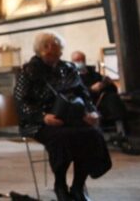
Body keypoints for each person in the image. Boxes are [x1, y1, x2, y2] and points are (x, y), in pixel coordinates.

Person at [14, 32, 112, 201]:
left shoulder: (68, 68)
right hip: (41, 122)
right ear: (46, 49)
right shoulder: (28, 71)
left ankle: (78, 186)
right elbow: (20, 102)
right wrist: (42, 117)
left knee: (91, 135)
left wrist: (91, 111)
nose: (61, 51)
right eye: (57, 46)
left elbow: (84, 93)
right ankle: (60, 185)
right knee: (62, 138)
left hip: (73, 118)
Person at [71, 51, 138, 155]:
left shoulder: (95, 74)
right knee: (111, 103)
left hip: (104, 101)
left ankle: (122, 135)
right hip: (88, 105)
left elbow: (113, 89)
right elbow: (75, 94)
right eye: (76, 60)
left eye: (81, 59)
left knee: (113, 98)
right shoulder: (72, 78)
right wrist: (91, 89)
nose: (80, 62)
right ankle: (117, 137)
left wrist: (107, 83)